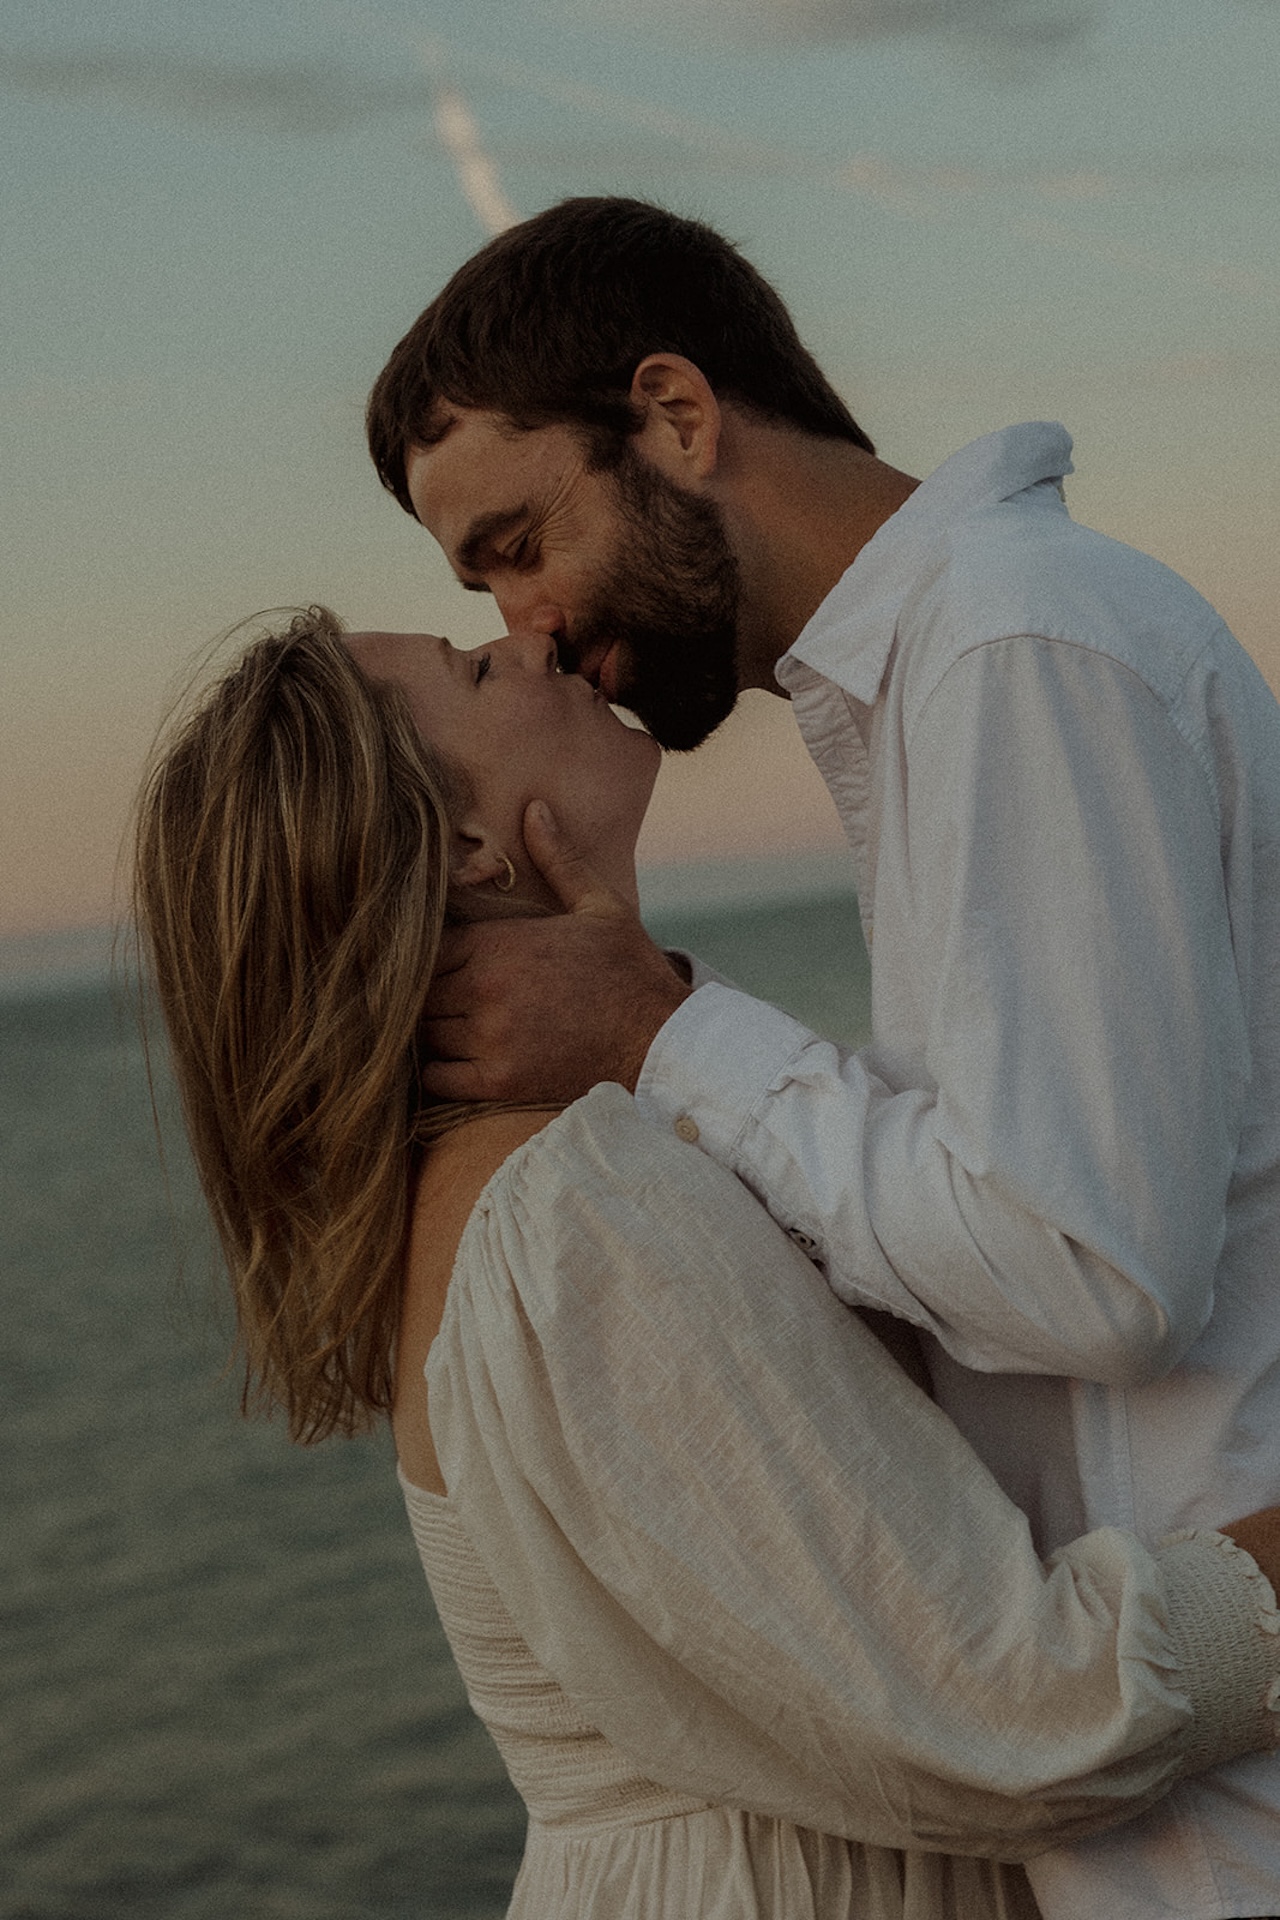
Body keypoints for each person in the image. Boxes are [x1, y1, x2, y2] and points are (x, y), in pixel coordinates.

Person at [365, 197, 1280, 1920]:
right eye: (482, 591)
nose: (533, 624)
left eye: (514, 541)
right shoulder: (950, 680)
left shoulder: (1014, 652)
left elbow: (1090, 1267)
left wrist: (660, 1026)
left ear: (681, 418)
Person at [133, 607, 1280, 1920]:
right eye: (472, 668)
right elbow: (1016, 1708)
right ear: (463, 847)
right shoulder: (558, 1209)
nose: (533, 641)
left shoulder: (574, 1158)